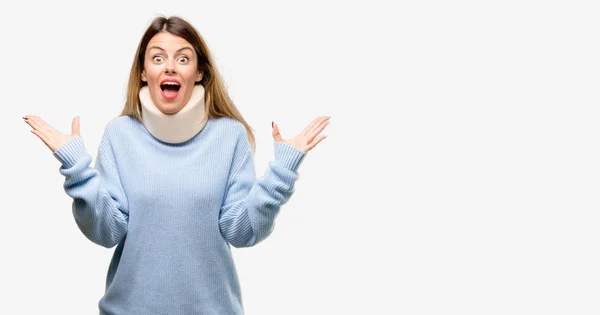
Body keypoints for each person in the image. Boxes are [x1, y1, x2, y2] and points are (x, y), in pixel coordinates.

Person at [23, 15, 329, 315]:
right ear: (144, 72)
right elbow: (107, 232)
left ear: (199, 73)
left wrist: (281, 174)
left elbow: (242, 232)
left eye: (183, 59)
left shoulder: (229, 135)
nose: (170, 66)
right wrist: (77, 169)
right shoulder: (119, 134)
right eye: (158, 58)